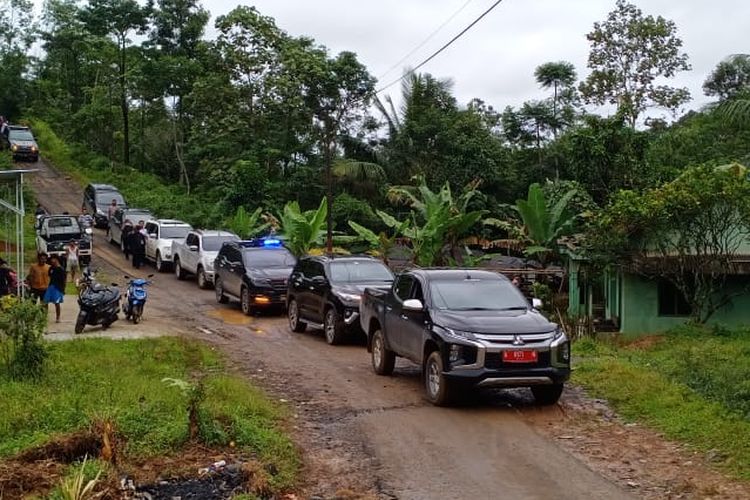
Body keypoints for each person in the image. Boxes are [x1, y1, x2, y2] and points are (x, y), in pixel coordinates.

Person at [44, 255, 66, 323]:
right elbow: (49, 275)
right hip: (51, 286)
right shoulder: (51, 268)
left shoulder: (61, 269)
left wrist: (62, 290)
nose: (52, 261)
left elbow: (63, 280)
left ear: (57, 260)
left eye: (53, 260)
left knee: (57, 303)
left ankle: (58, 317)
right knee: (45, 301)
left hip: (58, 288)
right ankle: (44, 316)